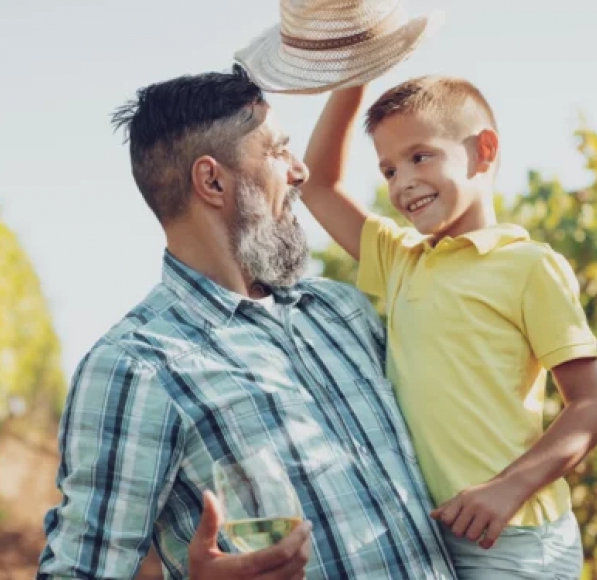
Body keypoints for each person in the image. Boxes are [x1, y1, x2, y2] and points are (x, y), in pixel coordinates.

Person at [35, 66, 456, 579]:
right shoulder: (136, 367)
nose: (300, 171)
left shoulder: (340, 313)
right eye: (278, 151)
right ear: (212, 180)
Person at [301, 77, 597, 578]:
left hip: (516, 537)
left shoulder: (528, 265)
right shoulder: (400, 260)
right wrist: (354, 74)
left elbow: (589, 402)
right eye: (389, 169)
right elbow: (317, 186)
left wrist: (508, 488)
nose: (402, 183)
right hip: (431, 533)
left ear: (483, 151)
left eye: (420, 157)